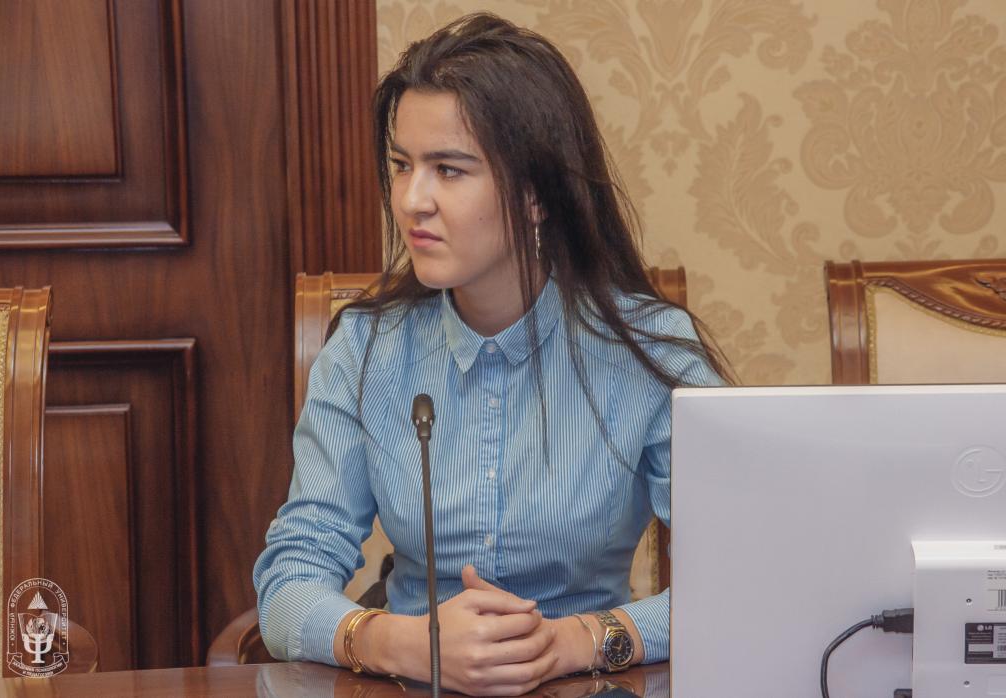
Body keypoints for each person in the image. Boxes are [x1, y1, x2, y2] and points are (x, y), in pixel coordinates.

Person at [254, 12, 730, 696]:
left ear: (535, 195)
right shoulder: (364, 351)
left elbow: (747, 571)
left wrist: (576, 641)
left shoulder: (647, 350)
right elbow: (288, 580)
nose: (412, 200)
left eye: (449, 170)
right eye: (401, 166)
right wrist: (401, 643)